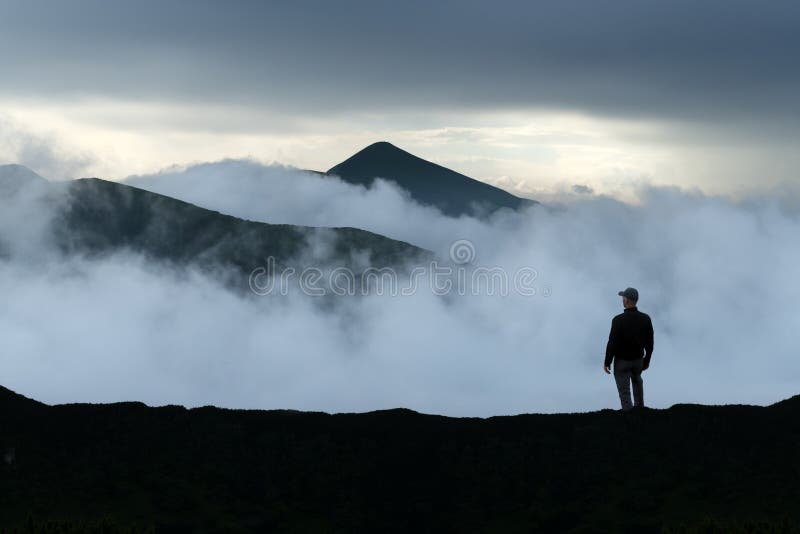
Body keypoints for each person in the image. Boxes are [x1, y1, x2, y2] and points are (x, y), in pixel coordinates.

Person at [604, 287, 654, 411]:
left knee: (624, 393)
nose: (622, 300)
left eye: (623, 298)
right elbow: (650, 343)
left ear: (626, 300)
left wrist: (607, 361)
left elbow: (612, 343)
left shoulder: (617, 320)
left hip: (622, 362)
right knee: (637, 384)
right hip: (638, 360)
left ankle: (629, 418)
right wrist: (646, 360)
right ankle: (640, 412)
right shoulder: (645, 318)